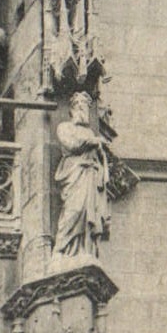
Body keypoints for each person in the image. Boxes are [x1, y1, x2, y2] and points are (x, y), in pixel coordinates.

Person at [54, 91, 111, 261]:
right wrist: (93, 142)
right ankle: (61, 248)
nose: (82, 109)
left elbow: (99, 157)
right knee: (75, 209)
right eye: (79, 105)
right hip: (74, 173)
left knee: (89, 214)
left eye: (85, 106)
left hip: (90, 175)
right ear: (72, 109)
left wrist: (100, 151)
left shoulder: (90, 133)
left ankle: (86, 250)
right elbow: (71, 145)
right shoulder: (65, 127)